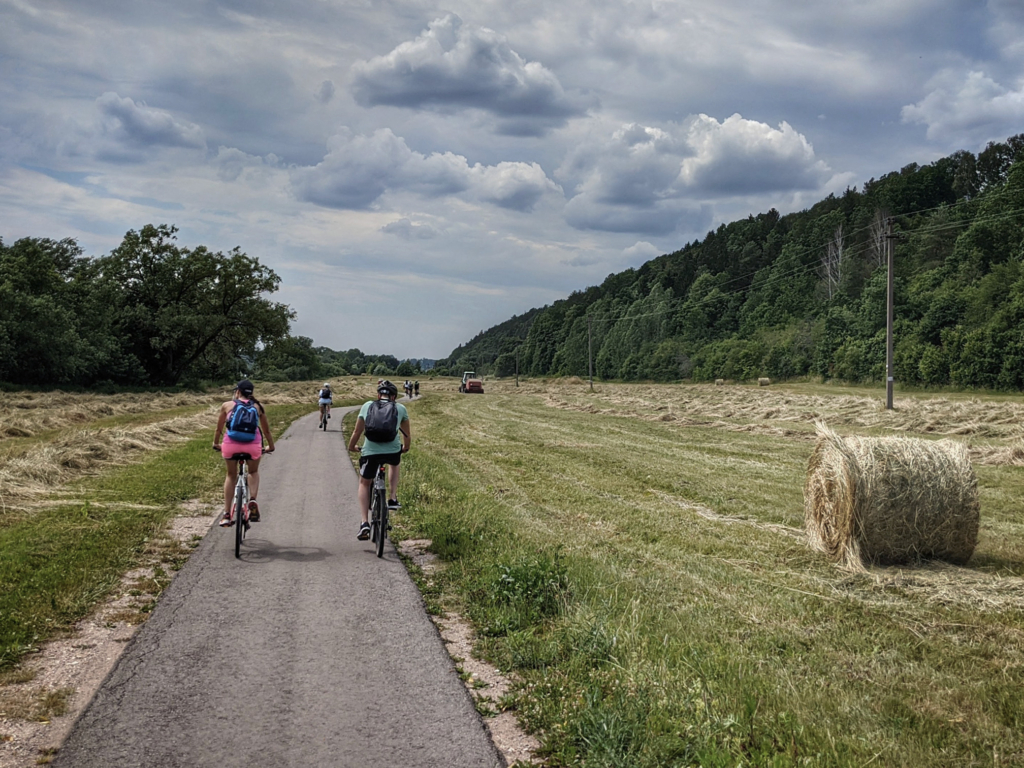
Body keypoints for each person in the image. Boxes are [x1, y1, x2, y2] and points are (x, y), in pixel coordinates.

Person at [346, 379, 410, 541]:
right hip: (392, 450)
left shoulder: (367, 406)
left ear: (378, 395)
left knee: (364, 483)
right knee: (395, 464)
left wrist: (352, 446)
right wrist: (406, 447)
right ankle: (393, 498)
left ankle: (364, 522)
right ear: (394, 396)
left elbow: (357, 431)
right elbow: (406, 434)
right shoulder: (400, 408)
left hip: (370, 452)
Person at [213, 379, 275, 527]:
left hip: (230, 445)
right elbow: (266, 431)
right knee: (253, 471)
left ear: (238, 391)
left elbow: (219, 428)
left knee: (231, 475)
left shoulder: (227, 405)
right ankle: (252, 499)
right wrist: (270, 446)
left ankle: (227, 514)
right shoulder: (258, 407)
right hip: (252, 446)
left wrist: (216, 443)